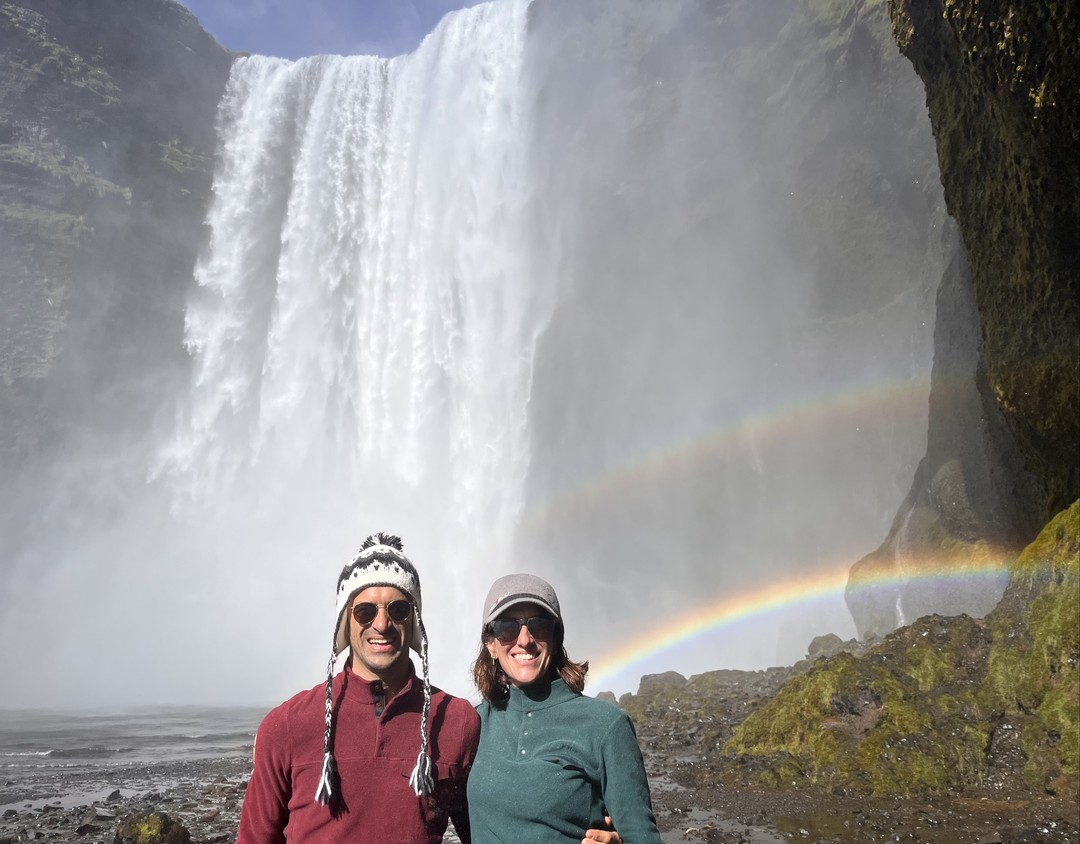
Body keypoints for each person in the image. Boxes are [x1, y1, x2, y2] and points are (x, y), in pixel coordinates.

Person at [235, 533, 481, 844]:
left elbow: (486, 831)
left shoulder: (458, 722)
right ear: (344, 623)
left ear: (414, 621)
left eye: (398, 610)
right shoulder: (286, 726)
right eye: (365, 611)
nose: (381, 624)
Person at [467, 573, 662, 843]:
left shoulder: (606, 726)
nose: (524, 639)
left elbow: (642, 838)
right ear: (490, 644)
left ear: (556, 638)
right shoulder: (473, 724)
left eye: (539, 625)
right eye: (507, 627)